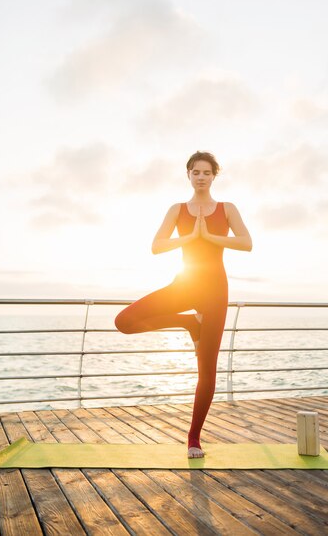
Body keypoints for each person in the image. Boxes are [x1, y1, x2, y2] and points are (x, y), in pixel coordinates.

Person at [115, 151, 252, 458]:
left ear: (214, 176)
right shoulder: (177, 209)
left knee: (207, 370)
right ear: (188, 175)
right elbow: (156, 246)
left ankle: (193, 438)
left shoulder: (227, 208)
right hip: (185, 284)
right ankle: (188, 322)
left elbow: (246, 242)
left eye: (206, 172)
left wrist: (210, 237)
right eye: (196, 172)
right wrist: (190, 236)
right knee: (124, 321)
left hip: (215, 290)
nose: (201, 177)